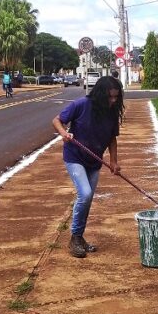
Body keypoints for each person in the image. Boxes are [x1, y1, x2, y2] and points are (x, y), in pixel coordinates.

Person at [52, 76, 124, 258]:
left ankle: (79, 237)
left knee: (88, 198)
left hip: (94, 160)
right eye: (110, 97)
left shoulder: (112, 112)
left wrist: (113, 162)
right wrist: (63, 134)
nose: (113, 101)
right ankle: (75, 238)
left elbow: (111, 139)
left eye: (116, 97)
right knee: (84, 193)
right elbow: (57, 120)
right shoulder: (81, 104)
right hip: (74, 156)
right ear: (100, 95)